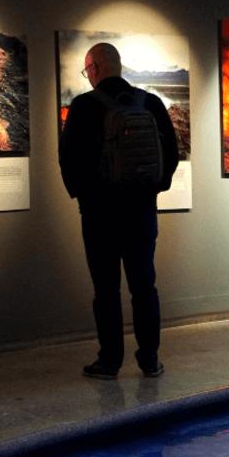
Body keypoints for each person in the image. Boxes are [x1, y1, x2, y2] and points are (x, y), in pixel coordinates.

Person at [59, 43, 179, 379]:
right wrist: (153, 190)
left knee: (106, 290)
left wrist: (85, 198)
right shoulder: (151, 103)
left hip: (99, 217)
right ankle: (150, 360)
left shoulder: (83, 107)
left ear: (95, 68)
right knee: (144, 287)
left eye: (87, 71)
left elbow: (68, 160)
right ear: (119, 66)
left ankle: (110, 362)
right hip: (141, 213)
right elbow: (171, 154)